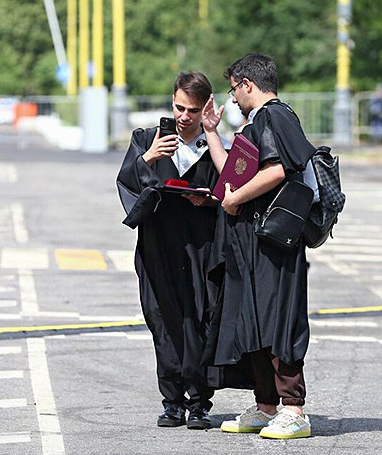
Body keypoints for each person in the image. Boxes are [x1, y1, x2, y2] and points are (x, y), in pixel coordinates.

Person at [201, 53, 315, 439]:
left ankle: (294, 408)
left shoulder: (275, 116)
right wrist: (211, 132)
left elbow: (279, 168)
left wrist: (234, 200)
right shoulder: (257, 124)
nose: (232, 98)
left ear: (248, 84)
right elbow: (230, 174)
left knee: (279, 318)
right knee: (254, 320)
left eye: (234, 89)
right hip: (252, 242)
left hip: (275, 241)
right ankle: (267, 406)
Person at [117, 72, 229, 430]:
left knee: (200, 318)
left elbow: (229, 192)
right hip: (158, 242)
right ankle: (172, 403)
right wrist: (147, 159)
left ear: (205, 108)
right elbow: (127, 183)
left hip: (201, 244)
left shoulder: (215, 147)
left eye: (192, 110)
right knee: (163, 320)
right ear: (172, 102)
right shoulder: (147, 140)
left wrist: (207, 200)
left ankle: (199, 403)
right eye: (179, 107)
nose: (184, 116)